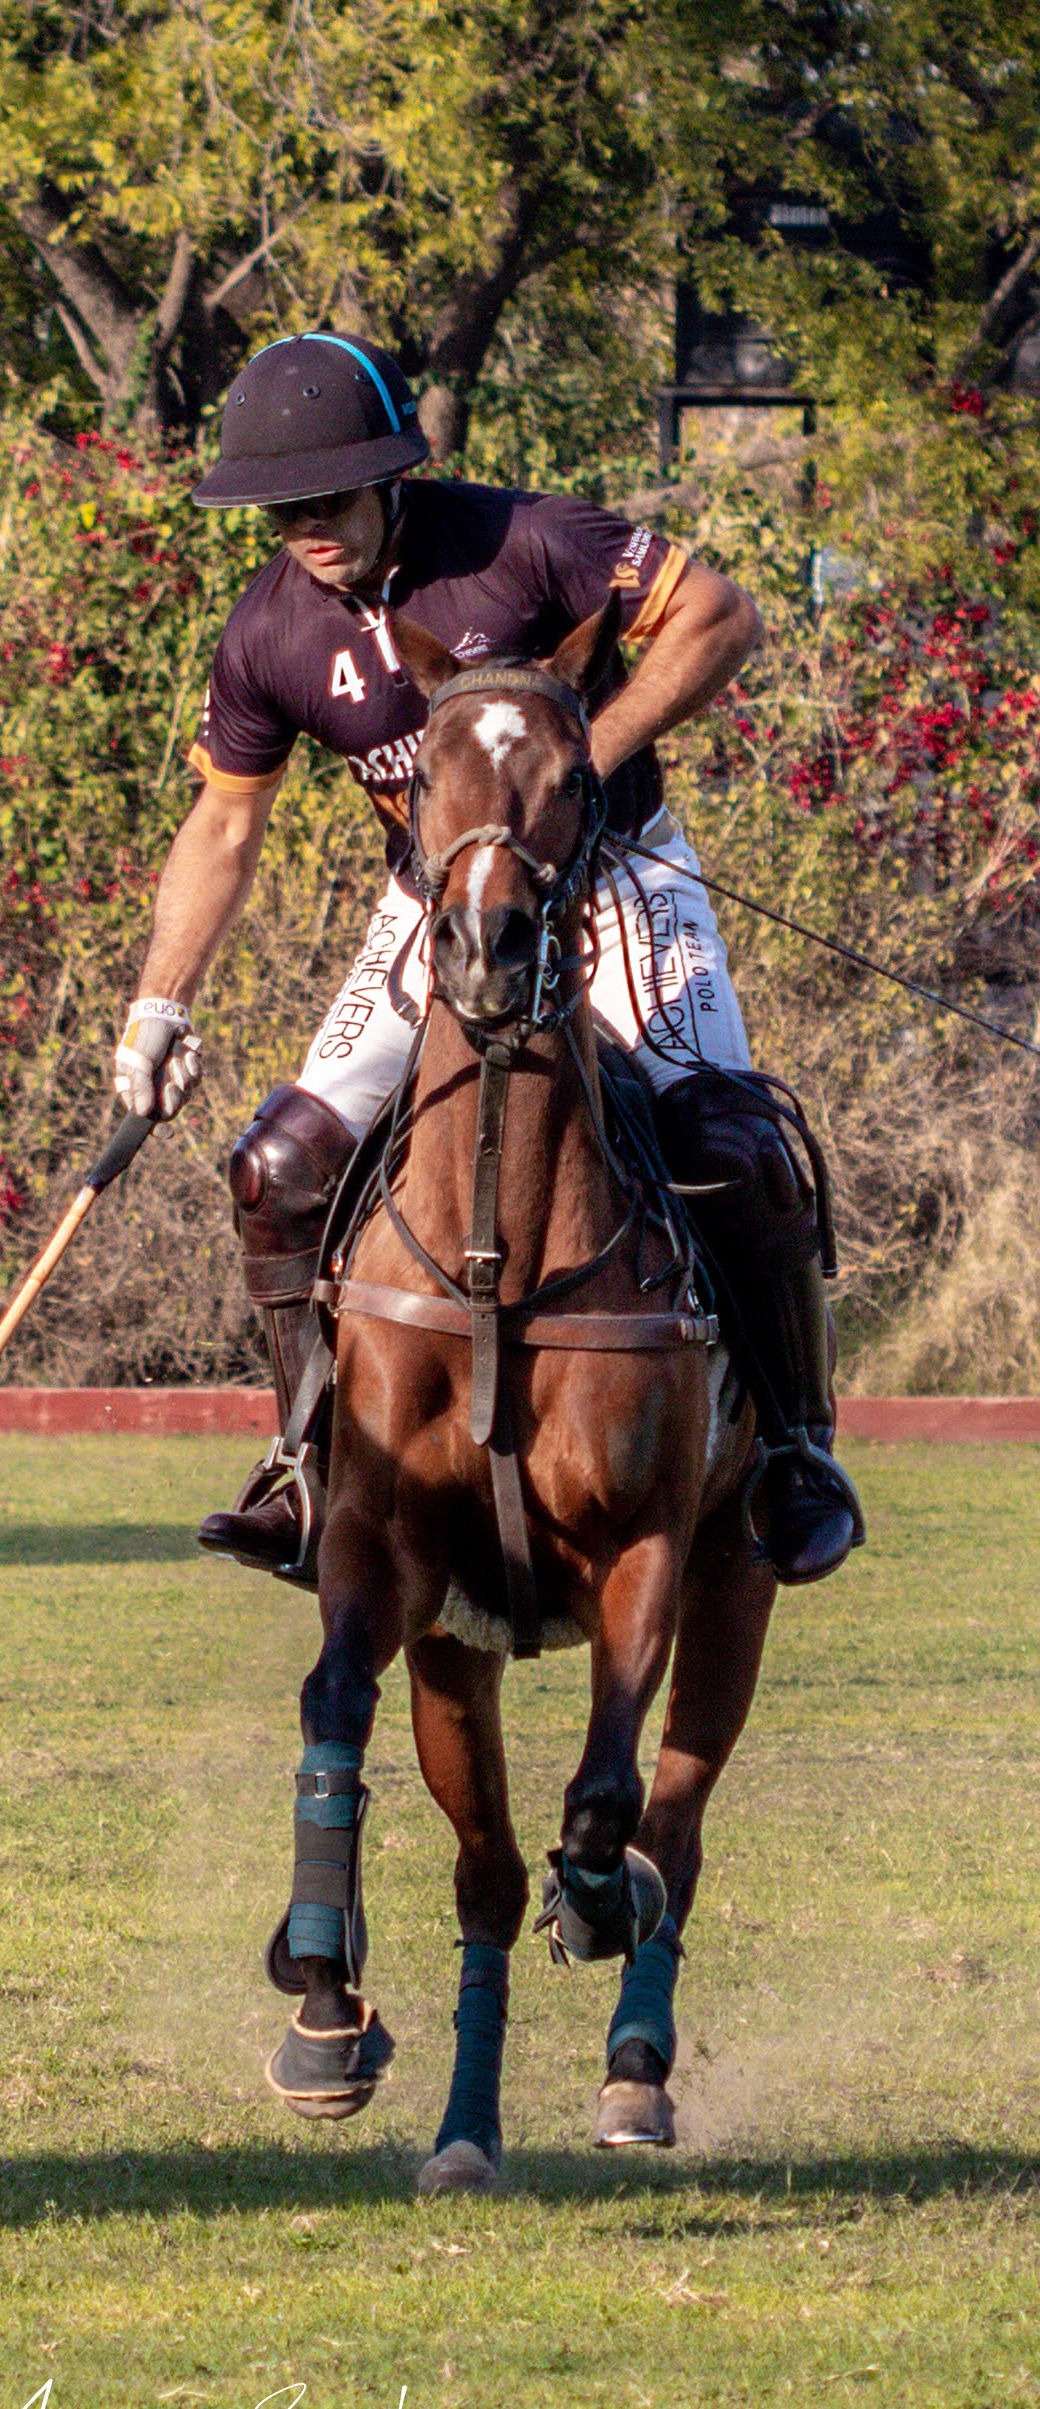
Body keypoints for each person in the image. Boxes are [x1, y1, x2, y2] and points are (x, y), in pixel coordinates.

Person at [113, 331, 861, 1588]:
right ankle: (306, 1466)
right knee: (277, 1162)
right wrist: (154, 1006)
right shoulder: (269, 631)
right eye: (277, 508)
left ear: (389, 475)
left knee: (727, 1142)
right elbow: (224, 822)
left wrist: (583, 763)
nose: (304, 526)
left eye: (327, 498)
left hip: (615, 874)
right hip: (433, 902)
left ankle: (792, 1449)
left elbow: (717, 614)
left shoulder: (524, 541)